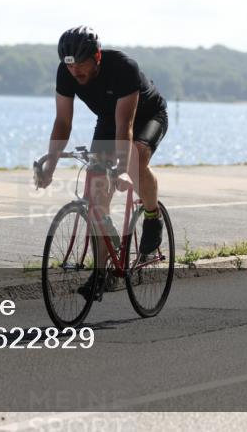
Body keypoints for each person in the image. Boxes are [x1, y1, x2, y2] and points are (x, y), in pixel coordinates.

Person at [37, 26, 169, 298]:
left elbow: (126, 125)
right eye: (70, 66)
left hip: (146, 117)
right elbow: (63, 122)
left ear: (97, 56)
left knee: (137, 158)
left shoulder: (123, 68)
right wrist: (50, 165)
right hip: (109, 120)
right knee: (97, 197)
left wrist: (122, 169)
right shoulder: (66, 72)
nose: (76, 72)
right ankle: (100, 273)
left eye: (82, 65)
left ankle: (153, 216)